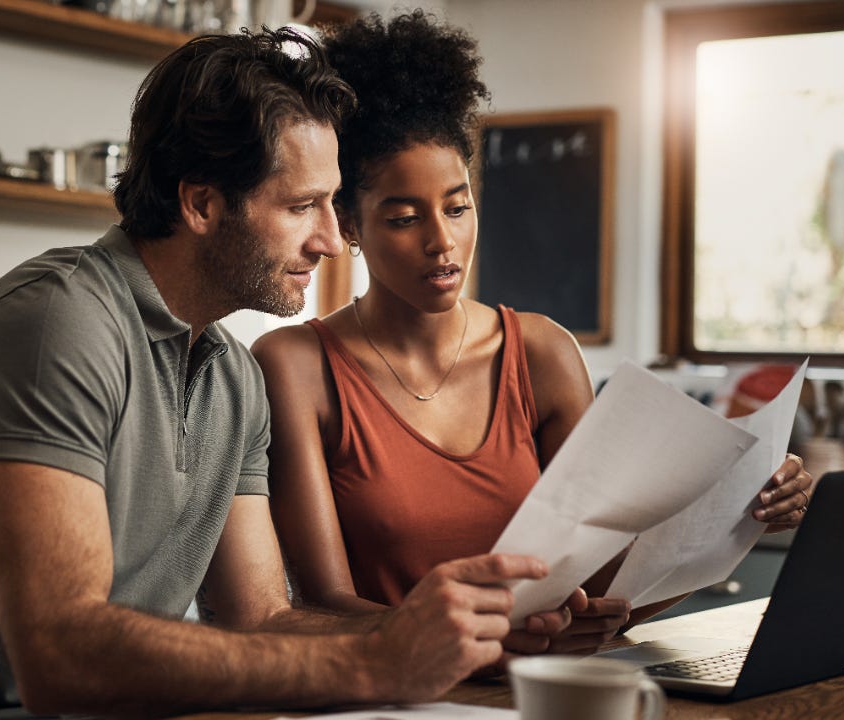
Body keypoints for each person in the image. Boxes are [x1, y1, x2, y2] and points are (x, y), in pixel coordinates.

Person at [0, 28, 573, 720]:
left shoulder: (232, 377)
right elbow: (58, 654)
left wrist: (430, 634)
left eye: (331, 204)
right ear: (201, 203)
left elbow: (261, 617)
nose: (329, 239)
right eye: (301, 207)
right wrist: (372, 665)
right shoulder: (57, 325)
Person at [252, 10, 815, 660]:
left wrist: (744, 514)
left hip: (540, 694)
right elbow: (324, 606)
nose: (443, 242)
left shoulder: (542, 354)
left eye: (458, 207)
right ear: (347, 224)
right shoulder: (295, 366)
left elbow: (607, 585)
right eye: (404, 217)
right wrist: (493, 642)